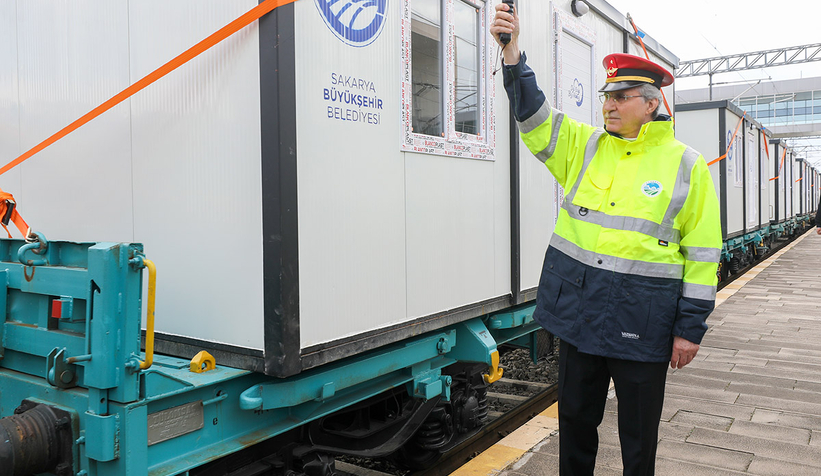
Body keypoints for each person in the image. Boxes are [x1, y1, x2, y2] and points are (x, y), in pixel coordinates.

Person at [490, 3, 721, 476]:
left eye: (621, 97)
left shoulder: (685, 165)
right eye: (606, 96)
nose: (608, 106)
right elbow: (534, 118)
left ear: (652, 102)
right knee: (575, 421)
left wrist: (689, 328)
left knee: (638, 437)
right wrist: (513, 53)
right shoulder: (586, 146)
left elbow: (702, 253)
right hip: (582, 314)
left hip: (644, 320)